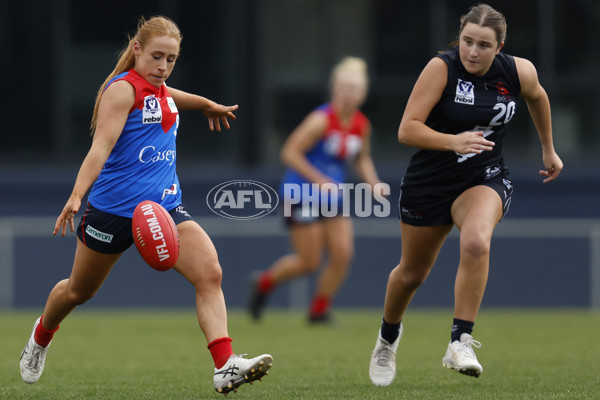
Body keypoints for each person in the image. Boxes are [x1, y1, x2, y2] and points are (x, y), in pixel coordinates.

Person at [19, 16, 272, 395]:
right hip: (111, 213)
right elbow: (100, 148)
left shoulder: (160, 89)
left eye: (171, 60)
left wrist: (206, 105)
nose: (163, 67)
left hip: (164, 207)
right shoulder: (121, 91)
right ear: (136, 49)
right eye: (156, 57)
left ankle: (225, 366)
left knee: (210, 274)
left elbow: (171, 96)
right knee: (78, 292)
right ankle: (41, 336)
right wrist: (76, 195)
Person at [369, 3, 563, 386]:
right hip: (429, 183)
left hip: (483, 178)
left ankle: (460, 340)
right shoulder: (441, 68)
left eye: (484, 45)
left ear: (500, 47)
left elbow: (537, 97)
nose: (472, 52)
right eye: (467, 41)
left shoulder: (518, 71)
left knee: (476, 241)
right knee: (411, 274)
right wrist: (452, 141)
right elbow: (407, 130)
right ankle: (387, 339)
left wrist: (549, 149)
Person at [248, 57, 385, 323]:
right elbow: (289, 152)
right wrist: (318, 178)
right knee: (309, 261)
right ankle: (263, 283)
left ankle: (319, 310)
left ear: (363, 93)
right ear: (335, 89)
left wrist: (373, 183)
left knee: (343, 254)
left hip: (332, 196)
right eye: (345, 88)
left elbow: (361, 158)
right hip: (300, 195)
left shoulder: (360, 125)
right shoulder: (320, 120)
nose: (349, 95)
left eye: (355, 90)